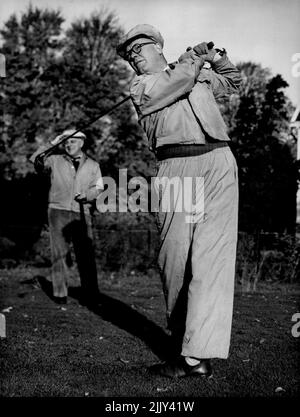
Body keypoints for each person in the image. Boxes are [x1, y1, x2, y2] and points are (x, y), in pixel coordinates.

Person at [117, 24, 242, 378]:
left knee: (211, 262)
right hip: (176, 166)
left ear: (159, 47)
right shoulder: (142, 87)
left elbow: (233, 83)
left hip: (219, 162)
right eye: (129, 55)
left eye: (139, 48)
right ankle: (181, 343)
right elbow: (177, 82)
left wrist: (217, 59)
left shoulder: (193, 73)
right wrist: (193, 59)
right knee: (175, 262)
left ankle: (194, 357)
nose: (134, 57)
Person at [30, 129, 104, 306]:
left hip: (82, 213)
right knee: (59, 253)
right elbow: (35, 159)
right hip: (58, 210)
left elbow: (99, 187)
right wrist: (53, 143)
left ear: (82, 143)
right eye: (67, 142)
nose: (69, 145)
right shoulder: (55, 160)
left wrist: (87, 195)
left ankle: (91, 295)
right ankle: (60, 293)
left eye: (73, 141)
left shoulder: (93, 165)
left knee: (85, 255)